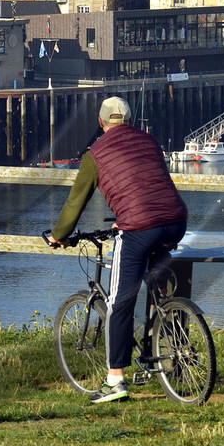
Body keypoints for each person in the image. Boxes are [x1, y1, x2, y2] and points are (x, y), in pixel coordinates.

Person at [47, 96, 187, 404]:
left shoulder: (94, 154)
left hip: (140, 228)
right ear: (131, 121)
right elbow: (147, 184)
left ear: (100, 123)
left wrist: (59, 235)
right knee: (152, 278)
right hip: (176, 220)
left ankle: (115, 381)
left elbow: (75, 202)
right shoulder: (150, 143)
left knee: (118, 303)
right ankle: (163, 330)